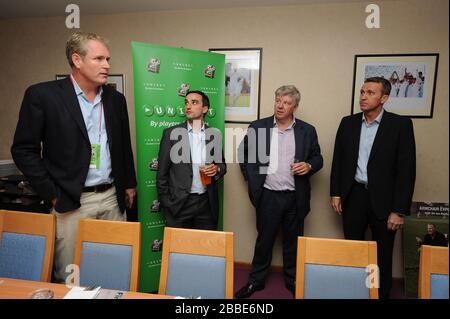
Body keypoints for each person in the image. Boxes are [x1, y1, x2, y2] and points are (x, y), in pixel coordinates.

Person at [11, 32, 137, 283]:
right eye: (99, 58)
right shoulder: (43, 96)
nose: (107, 65)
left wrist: (129, 184)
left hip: (113, 198)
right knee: (71, 276)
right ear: (77, 60)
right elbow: (23, 150)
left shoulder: (115, 99)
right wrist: (52, 192)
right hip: (72, 202)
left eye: (108, 59)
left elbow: (123, 145)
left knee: (113, 269)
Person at [330, 77, 416, 299]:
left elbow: (406, 171)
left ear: (384, 98)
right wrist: (336, 193)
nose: (363, 97)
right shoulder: (347, 123)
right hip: (353, 196)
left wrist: (398, 210)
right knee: (353, 251)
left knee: (382, 254)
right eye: (362, 92)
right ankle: (354, 292)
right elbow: (338, 161)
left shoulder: (400, 125)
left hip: (385, 202)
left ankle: (379, 293)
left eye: (370, 93)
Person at [235, 85, 323, 298]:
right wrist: (253, 179)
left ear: (295, 106)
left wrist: (309, 166)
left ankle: (292, 281)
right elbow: (243, 153)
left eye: (286, 102)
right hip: (268, 196)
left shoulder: (307, 130)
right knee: (264, 240)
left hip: (295, 196)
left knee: (293, 242)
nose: (280, 106)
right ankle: (256, 281)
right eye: (278, 101)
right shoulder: (259, 127)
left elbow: (318, 157)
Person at [156, 90, 226, 230]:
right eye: (186, 103)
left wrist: (217, 169)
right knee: (178, 249)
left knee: (205, 249)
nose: (188, 106)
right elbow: (161, 173)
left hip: (206, 203)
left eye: (194, 103)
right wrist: (168, 202)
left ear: (205, 108)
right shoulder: (171, 134)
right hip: (179, 204)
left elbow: (222, 165)